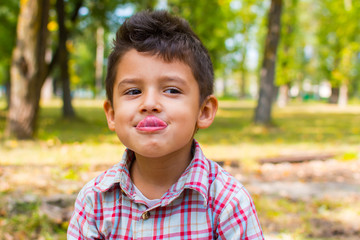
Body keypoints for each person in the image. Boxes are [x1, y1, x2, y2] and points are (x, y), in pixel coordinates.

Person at [67, 10, 264, 239]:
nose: (149, 104)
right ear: (111, 114)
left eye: (171, 90)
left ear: (204, 111)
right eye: (133, 91)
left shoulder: (228, 203)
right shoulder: (95, 201)